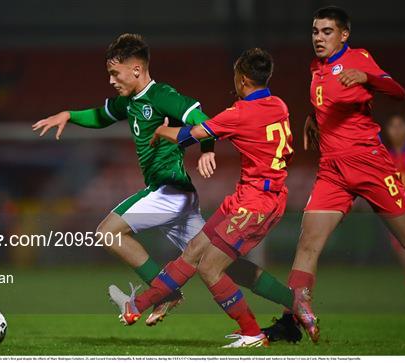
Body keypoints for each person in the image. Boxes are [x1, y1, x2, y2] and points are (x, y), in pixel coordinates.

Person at [33, 34, 296, 328]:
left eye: (114, 73)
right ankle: (296, 303)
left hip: (169, 190)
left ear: (136, 70)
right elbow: (100, 116)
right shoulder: (129, 102)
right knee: (225, 267)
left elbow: (201, 117)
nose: (111, 80)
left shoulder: (162, 95)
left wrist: (207, 150)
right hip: (179, 197)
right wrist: (68, 115)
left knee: (108, 231)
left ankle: (165, 295)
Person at [108, 48, 294, 348]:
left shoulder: (240, 111)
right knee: (200, 254)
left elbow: (194, 131)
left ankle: (254, 330)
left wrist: (163, 131)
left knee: (209, 267)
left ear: (243, 79)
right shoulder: (279, 105)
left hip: (255, 200)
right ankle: (136, 307)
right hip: (252, 196)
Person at [262, 6, 405, 344]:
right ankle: (289, 323)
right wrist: (314, 120)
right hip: (332, 170)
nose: (318, 37)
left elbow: (397, 90)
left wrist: (367, 78)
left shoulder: (358, 58)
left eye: (326, 32)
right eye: (315, 31)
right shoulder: (317, 69)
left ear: (343, 35)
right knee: (308, 241)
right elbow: (328, 102)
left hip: (370, 163)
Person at [384, 115, 405, 289]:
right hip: (397, 214)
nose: (397, 129)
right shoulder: (386, 158)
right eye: (393, 126)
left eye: (401, 125)